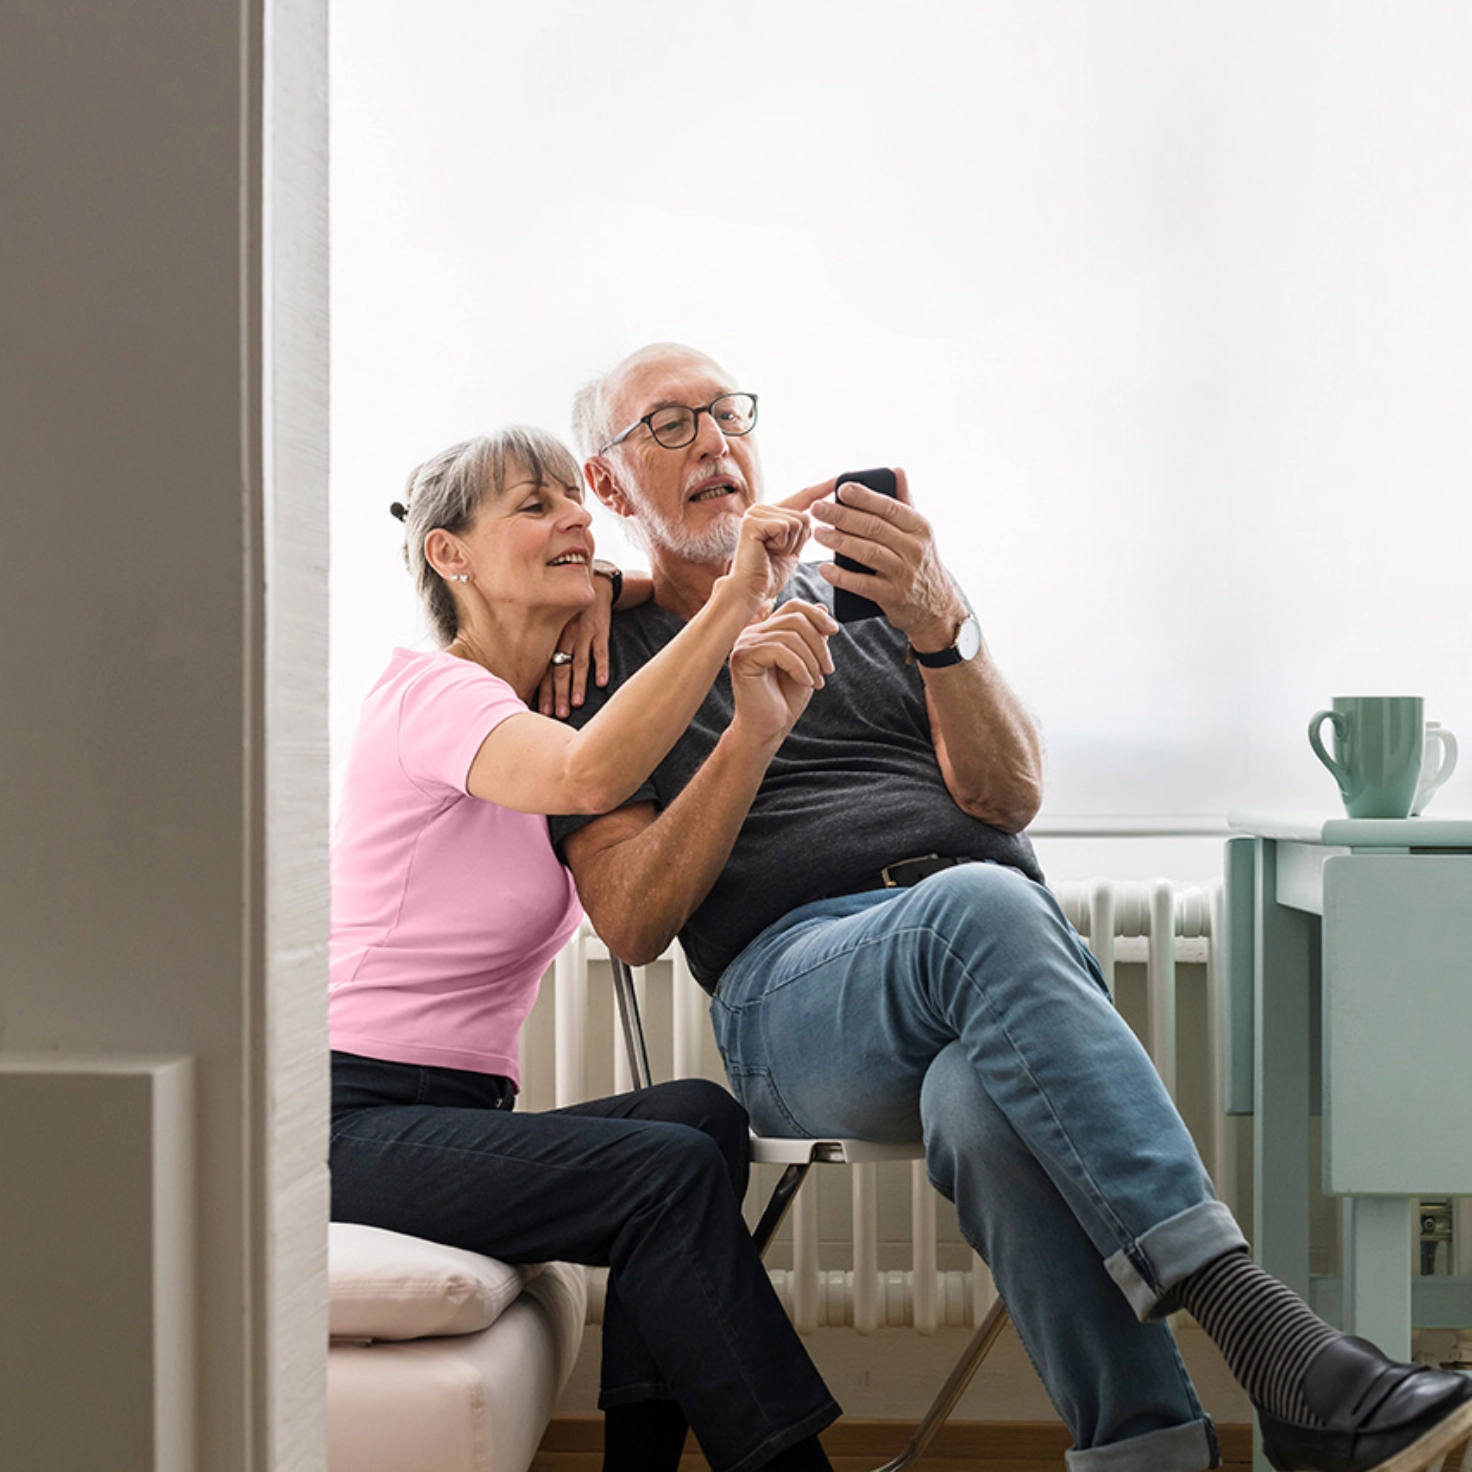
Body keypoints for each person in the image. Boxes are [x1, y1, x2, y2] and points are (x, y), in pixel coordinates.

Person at [549, 344, 1472, 1472]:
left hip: (983, 959)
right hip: (798, 998)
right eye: (666, 425)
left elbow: (1008, 792)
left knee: (983, 1102)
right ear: (605, 486)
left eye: (724, 413)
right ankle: (1273, 1341)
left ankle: (1153, 1456)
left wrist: (944, 618)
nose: (712, 442)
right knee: (974, 906)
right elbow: (632, 921)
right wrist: (749, 720)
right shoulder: (596, 660)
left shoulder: (872, 597)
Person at [328, 424, 845, 1472]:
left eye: (576, 495)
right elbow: (589, 778)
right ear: (449, 555)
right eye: (533, 503)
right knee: (660, 1172)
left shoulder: (537, 715)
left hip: (445, 1112)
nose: (573, 513)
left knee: (698, 1118)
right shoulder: (432, 695)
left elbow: (604, 781)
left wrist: (639, 594)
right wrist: (734, 597)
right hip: (343, 1115)